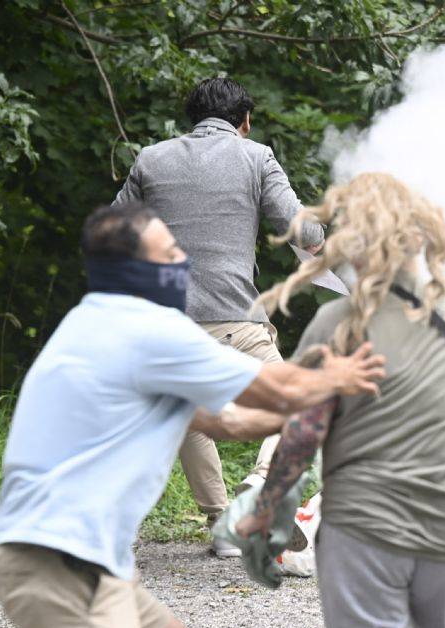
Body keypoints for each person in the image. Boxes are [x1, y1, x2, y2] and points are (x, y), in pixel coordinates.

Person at [0, 202, 385, 628]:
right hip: (59, 561)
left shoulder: (96, 324)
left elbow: (227, 422)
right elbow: (277, 385)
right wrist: (340, 375)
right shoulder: (147, 331)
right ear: (134, 270)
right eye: (170, 252)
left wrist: (306, 417)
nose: (183, 261)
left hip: (89, 557)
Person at [234, 173, 445, 628]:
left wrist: (266, 513)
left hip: (367, 529)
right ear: (420, 238)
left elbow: (302, 435)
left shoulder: (340, 324)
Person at [113, 77, 320, 554]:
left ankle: (221, 522)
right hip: (235, 322)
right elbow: (302, 230)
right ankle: (264, 482)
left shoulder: (151, 159)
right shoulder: (256, 156)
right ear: (244, 122)